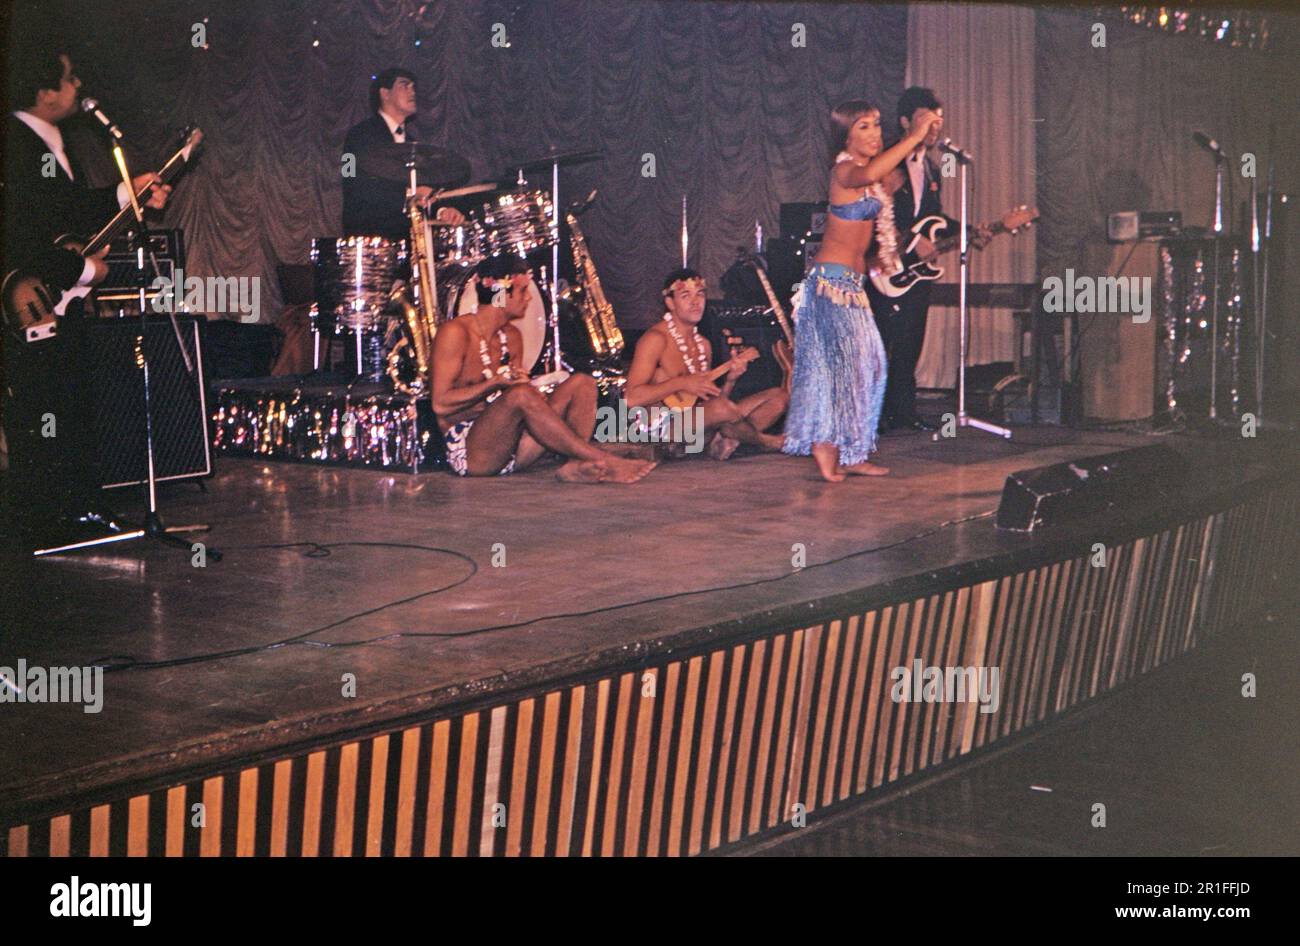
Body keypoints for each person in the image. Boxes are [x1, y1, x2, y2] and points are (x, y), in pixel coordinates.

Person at [2, 42, 172, 547]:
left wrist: (128, 190)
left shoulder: (48, 140)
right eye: (71, 79)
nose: (79, 87)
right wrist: (79, 268)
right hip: (32, 298)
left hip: (56, 297)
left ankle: (75, 508)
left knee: (67, 399)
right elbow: (21, 228)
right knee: (43, 408)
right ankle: (51, 516)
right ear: (44, 90)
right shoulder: (16, 142)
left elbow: (66, 211)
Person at [781, 99, 940, 483]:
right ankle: (826, 447)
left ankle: (853, 451)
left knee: (870, 367)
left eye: (877, 125)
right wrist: (913, 135)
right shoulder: (845, 171)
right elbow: (873, 169)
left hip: (854, 285)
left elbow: (878, 198)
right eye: (864, 127)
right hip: (830, 285)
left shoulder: (869, 179)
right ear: (846, 135)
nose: (874, 133)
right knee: (843, 370)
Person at [429, 255, 656, 484]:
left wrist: (533, 391)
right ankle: (602, 458)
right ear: (500, 292)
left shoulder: (512, 337)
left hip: (514, 447)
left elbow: (517, 398)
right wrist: (495, 383)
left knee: (582, 383)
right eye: (522, 291)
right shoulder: (456, 333)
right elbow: (440, 404)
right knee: (520, 395)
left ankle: (573, 465)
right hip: (473, 454)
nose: (528, 298)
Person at [867, 86, 990, 432]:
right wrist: (914, 238)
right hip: (883, 266)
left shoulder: (933, 169)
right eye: (927, 121)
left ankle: (902, 412)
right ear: (906, 121)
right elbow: (875, 209)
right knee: (880, 343)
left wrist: (969, 229)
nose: (935, 129)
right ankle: (872, 416)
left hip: (916, 273)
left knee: (910, 340)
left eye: (939, 122)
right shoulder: (888, 160)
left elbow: (934, 218)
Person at [624, 268, 787, 459]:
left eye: (700, 294)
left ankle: (726, 440)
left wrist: (730, 380)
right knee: (723, 410)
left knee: (778, 397)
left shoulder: (704, 344)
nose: (695, 302)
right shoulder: (655, 338)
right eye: (685, 295)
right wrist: (681, 383)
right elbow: (631, 398)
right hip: (660, 429)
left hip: (699, 424)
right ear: (670, 302)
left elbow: (711, 402)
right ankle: (765, 441)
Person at [340, 67, 469, 239]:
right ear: (385, 93)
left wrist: (442, 211)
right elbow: (356, 185)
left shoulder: (412, 144)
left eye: (413, 87)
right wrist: (410, 196)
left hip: (407, 237)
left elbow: (423, 190)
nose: (412, 91)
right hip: (371, 235)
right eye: (404, 85)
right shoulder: (360, 135)